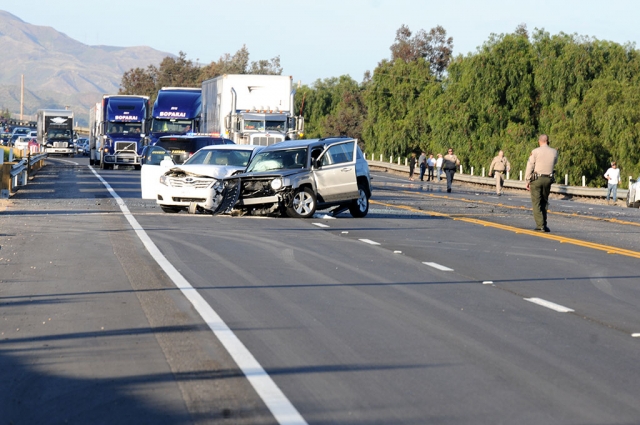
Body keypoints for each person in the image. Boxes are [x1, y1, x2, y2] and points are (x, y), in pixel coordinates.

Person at [525, 134, 558, 232]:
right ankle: (544, 223)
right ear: (548, 141)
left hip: (537, 179)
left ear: (539, 141)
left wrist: (527, 180)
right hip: (548, 179)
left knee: (536, 202)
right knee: (544, 201)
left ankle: (540, 225)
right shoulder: (554, 152)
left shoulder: (535, 151)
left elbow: (530, 166)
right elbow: (554, 162)